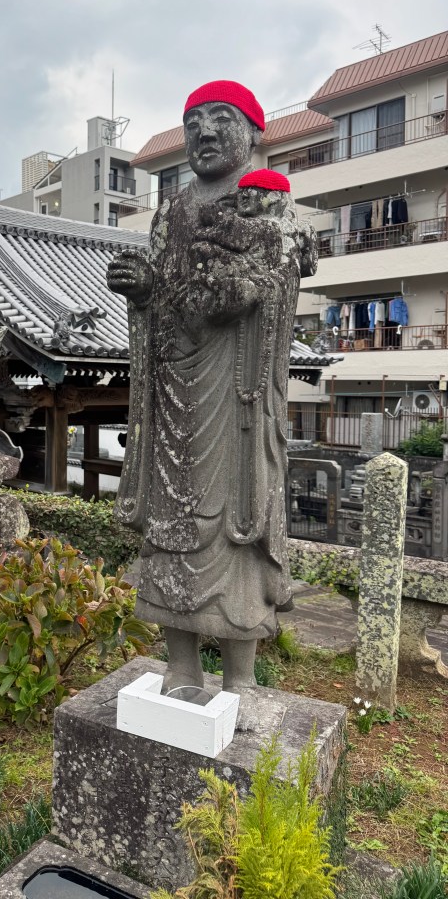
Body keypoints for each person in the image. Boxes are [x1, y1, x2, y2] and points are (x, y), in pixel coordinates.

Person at [107, 82, 316, 697]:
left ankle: (242, 676)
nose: (202, 132)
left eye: (217, 118)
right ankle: (179, 664)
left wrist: (241, 284)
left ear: (254, 131)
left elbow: (273, 281)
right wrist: (143, 290)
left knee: (237, 523)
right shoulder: (171, 211)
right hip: (175, 388)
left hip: (240, 392)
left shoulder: (274, 205)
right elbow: (167, 298)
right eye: (192, 120)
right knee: (170, 518)